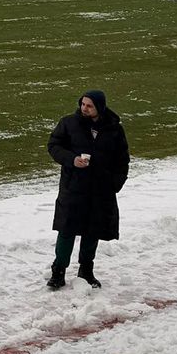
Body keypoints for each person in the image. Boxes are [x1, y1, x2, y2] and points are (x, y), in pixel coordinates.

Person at [46, 90, 129, 290]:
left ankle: (86, 270)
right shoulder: (68, 123)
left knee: (93, 231)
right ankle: (58, 271)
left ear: (99, 107)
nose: (84, 108)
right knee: (67, 230)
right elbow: (54, 146)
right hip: (73, 187)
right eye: (83, 104)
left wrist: (114, 185)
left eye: (89, 105)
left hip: (101, 190)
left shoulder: (114, 129)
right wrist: (72, 160)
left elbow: (122, 160)